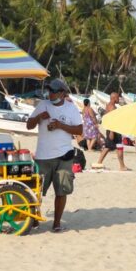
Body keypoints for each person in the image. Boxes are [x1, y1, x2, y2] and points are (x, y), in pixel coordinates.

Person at [26, 78, 83, 232]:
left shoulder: (71, 108)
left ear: (62, 93)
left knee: (61, 190)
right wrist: (39, 117)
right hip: (43, 157)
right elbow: (29, 125)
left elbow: (79, 130)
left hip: (64, 155)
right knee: (36, 192)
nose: (50, 93)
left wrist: (60, 125)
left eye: (53, 91)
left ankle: (56, 223)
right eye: (49, 90)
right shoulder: (42, 105)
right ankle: (34, 219)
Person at [95, 91, 129, 171]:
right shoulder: (112, 107)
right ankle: (121, 166)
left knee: (109, 147)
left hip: (112, 129)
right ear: (114, 98)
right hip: (113, 130)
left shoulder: (109, 105)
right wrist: (112, 132)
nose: (119, 99)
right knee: (115, 147)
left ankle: (100, 163)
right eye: (117, 97)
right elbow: (111, 120)